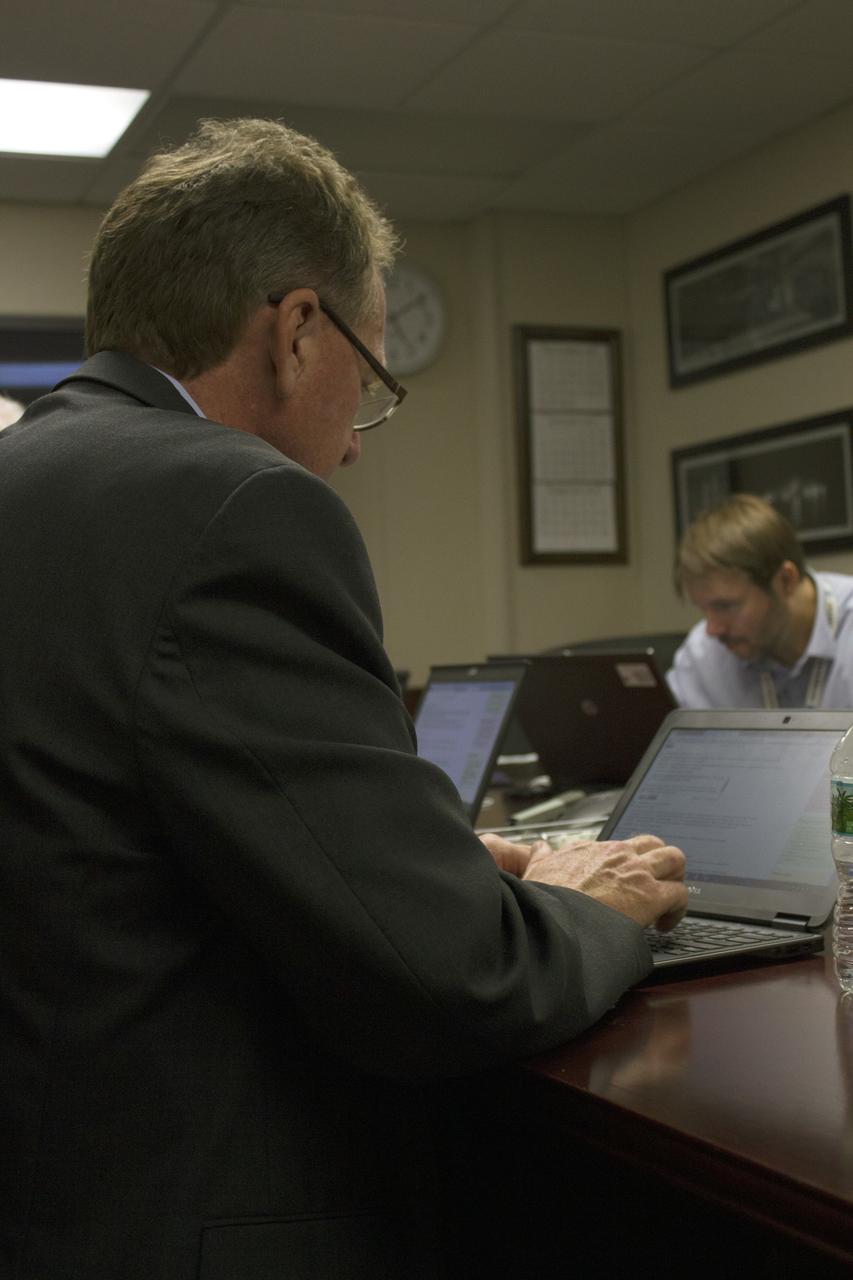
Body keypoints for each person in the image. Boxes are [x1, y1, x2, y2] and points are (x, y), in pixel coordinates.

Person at [0, 117, 686, 1280]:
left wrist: (420, 855)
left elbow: (126, 835)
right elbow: (450, 980)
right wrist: (595, 901)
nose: (357, 446)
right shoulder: (232, 503)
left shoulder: (29, 477)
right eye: (370, 383)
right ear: (298, 330)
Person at [668, 491, 853, 708]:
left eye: (725, 606)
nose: (713, 629)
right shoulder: (703, 654)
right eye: (703, 609)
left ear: (786, 580)